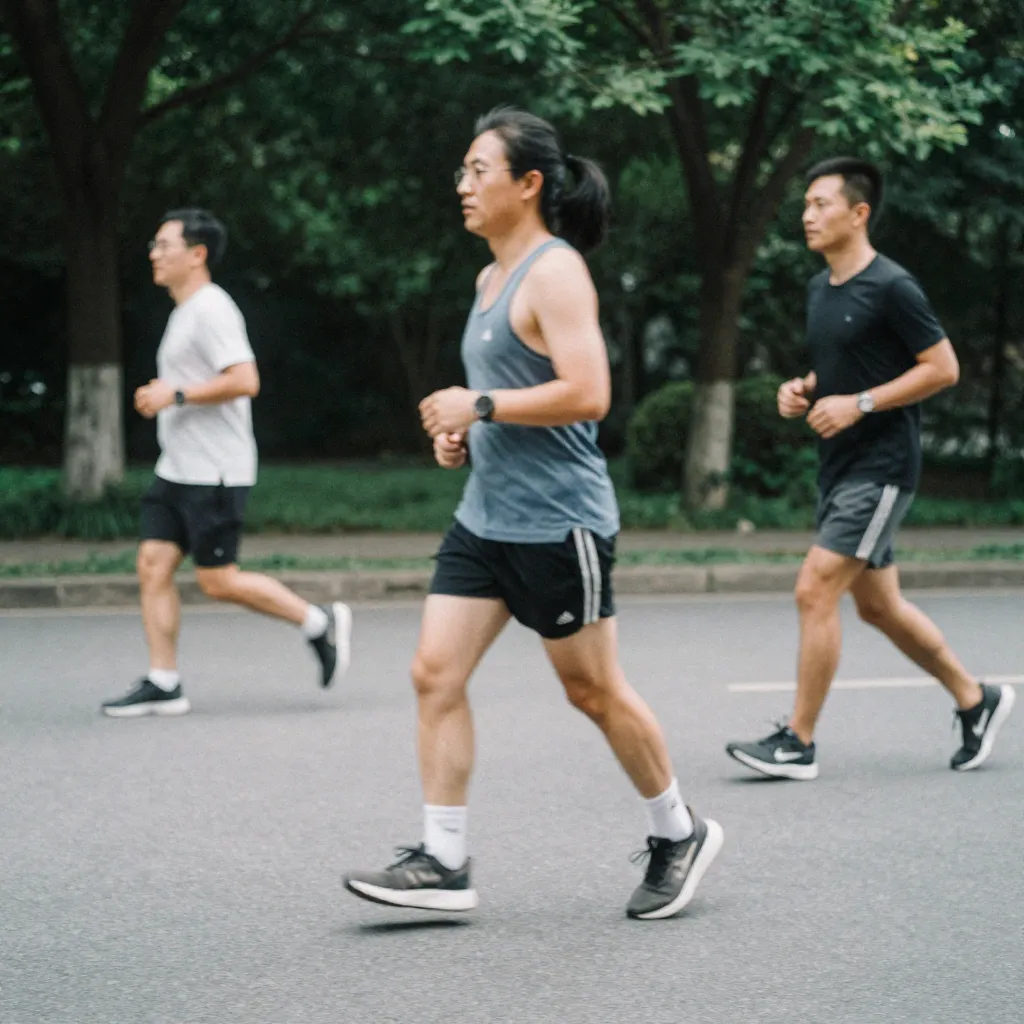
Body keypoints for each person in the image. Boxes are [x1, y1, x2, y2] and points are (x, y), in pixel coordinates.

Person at [343, 107, 722, 921]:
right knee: (433, 672)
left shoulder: (556, 272)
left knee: (593, 692)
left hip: (560, 523)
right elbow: (510, 400)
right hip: (486, 520)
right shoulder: (489, 279)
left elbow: (589, 394)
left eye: (479, 170)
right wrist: (466, 433)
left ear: (529, 183)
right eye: (462, 171)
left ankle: (679, 830)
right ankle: (445, 861)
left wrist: (478, 402)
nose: (464, 186)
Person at [726, 157, 1014, 780]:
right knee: (879, 608)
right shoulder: (819, 288)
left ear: (858, 213)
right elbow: (842, 367)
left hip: (882, 467)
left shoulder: (893, 287)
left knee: (814, 588)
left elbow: (943, 368)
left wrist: (859, 405)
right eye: (805, 204)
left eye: (820, 204)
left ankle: (798, 742)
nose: (807, 214)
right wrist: (801, 389)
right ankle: (976, 699)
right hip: (839, 466)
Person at [101, 208, 351, 718]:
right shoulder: (184, 310)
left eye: (163, 244)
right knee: (153, 564)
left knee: (218, 580)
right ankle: (164, 681)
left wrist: (175, 394)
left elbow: (245, 380)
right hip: (178, 468)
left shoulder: (213, 309)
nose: (153, 253)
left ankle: (318, 623)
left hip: (215, 471)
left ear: (197, 254)